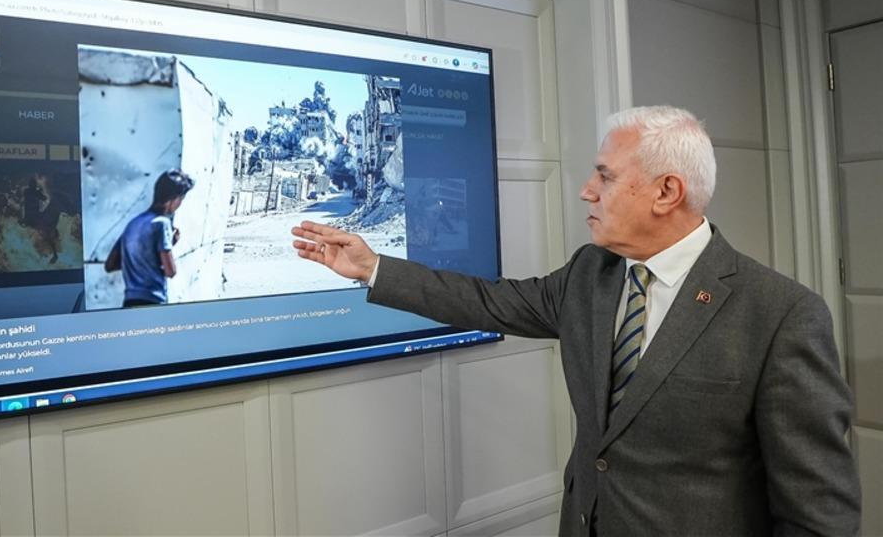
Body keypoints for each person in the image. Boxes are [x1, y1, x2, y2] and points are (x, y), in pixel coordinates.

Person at [291, 106, 860, 536]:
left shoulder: (781, 315)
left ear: (667, 192)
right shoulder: (593, 273)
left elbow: (818, 513)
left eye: (605, 176)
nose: (587, 191)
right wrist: (372, 268)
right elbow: (490, 302)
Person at [105, 169, 194, 308]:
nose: (180, 204)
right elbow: (170, 271)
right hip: (152, 301)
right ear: (173, 198)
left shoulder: (133, 224)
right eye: (181, 199)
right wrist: (169, 244)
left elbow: (110, 265)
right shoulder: (162, 224)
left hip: (129, 302)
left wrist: (139, 264)